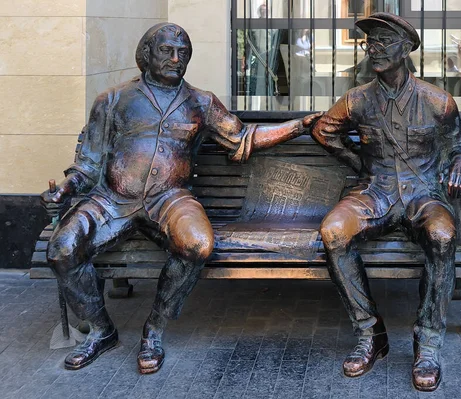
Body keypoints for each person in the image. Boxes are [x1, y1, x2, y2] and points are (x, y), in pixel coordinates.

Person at [41, 23, 320, 374]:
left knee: (198, 244)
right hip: (111, 199)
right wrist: (65, 189)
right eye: (167, 51)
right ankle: (100, 330)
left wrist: (297, 126)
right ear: (146, 54)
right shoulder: (112, 100)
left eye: (183, 53)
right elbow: (89, 163)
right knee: (62, 248)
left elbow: (243, 138)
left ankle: (154, 329)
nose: (176, 59)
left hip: (170, 199)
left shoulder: (200, 101)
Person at [310, 13, 461, 391]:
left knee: (442, 235)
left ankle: (428, 342)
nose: (375, 48)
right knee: (333, 231)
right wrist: (355, 161)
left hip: (423, 194)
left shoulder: (437, 100)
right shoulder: (356, 100)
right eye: (371, 42)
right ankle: (371, 334)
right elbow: (324, 131)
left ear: (407, 49)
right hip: (375, 192)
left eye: (385, 41)